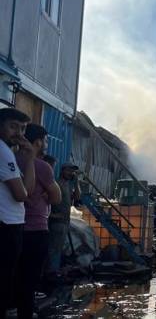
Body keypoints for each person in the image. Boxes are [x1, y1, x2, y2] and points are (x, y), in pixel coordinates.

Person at [14, 124, 61, 319]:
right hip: (36, 229)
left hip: (13, 226)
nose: (47, 144)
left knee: (13, 271)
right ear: (38, 142)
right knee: (30, 275)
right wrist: (45, 195)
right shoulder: (42, 166)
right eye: (46, 140)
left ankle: (11, 306)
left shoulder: (10, 160)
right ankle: (25, 311)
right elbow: (56, 197)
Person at [0, 108, 35, 319]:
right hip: (6, 226)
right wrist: (30, 159)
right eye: (13, 127)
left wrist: (29, 158)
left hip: (8, 224)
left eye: (23, 129)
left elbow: (26, 191)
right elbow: (23, 194)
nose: (20, 134)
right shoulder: (3, 152)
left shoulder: (7, 151)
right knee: (3, 284)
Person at [47, 163, 81, 276]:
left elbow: (77, 197)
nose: (70, 173)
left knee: (58, 249)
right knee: (52, 249)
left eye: (72, 171)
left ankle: (53, 272)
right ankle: (48, 274)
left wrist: (76, 183)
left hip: (65, 222)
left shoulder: (68, 185)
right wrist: (52, 215)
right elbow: (45, 201)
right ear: (62, 171)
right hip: (56, 223)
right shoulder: (57, 183)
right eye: (68, 170)